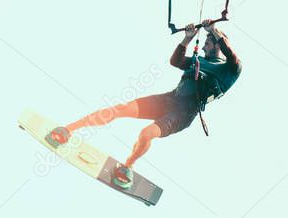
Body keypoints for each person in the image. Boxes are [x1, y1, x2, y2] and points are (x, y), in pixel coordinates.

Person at [45, 20, 242, 188]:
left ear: (218, 44)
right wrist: (187, 38)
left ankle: (128, 165)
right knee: (118, 110)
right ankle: (68, 130)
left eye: (209, 42)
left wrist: (213, 31)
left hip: (184, 113)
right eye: (206, 41)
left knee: (146, 134)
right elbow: (175, 61)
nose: (206, 44)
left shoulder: (230, 70)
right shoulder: (197, 61)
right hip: (169, 99)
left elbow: (231, 55)